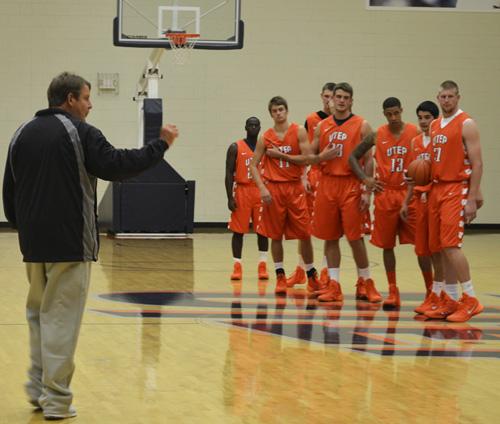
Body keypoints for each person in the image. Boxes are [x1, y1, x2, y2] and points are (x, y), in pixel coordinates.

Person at [2, 72, 179, 420]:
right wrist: (161, 145)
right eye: (86, 97)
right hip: (70, 244)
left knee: (39, 318)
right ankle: (56, 401)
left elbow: (9, 189)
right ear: (69, 99)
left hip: (33, 245)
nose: (90, 104)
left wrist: (23, 229)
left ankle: (38, 391)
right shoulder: (80, 132)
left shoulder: (21, 133)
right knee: (61, 323)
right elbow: (117, 165)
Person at [308, 82, 382, 303]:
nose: (340, 100)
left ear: (351, 100)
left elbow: (369, 161)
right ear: (332, 99)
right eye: (337, 96)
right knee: (330, 238)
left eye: (345, 97)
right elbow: (310, 157)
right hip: (328, 183)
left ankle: (365, 282)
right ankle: (334, 284)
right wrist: (323, 157)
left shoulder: (362, 125)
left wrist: (367, 191)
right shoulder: (322, 126)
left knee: (355, 238)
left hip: (351, 184)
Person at [423, 80, 484, 322]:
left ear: (458, 97)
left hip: (455, 188)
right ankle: (450, 299)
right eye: (443, 96)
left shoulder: (466, 124)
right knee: (439, 247)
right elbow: (431, 161)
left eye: (451, 96)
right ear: (438, 97)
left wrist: (471, 197)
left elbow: (477, 163)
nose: (446, 100)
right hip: (437, 189)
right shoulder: (435, 125)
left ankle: (470, 299)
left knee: (451, 246)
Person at [350, 97, 420, 308]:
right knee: (387, 245)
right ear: (384, 114)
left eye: (396, 113)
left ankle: (432, 291)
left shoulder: (415, 132)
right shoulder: (378, 134)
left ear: (402, 110)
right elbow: (353, 157)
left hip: (410, 193)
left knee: (423, 246)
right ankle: (393, 290)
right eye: (389, 114)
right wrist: (366, 179)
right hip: (386, 194)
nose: (393, 117)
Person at [249, 96, 318, 294]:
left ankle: (311, 275)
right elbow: (253, 165)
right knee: (276, 235)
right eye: (275, 111)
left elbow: (306, 158)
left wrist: (281, 156)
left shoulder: (299, 131)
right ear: (270, 114)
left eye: (281, 109)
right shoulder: (265, 137)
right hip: (274, 189)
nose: (278, 113)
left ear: (287, 111)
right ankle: (280, 275)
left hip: (295, 188)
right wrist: (262, 188)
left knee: (305, 234)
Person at [287, 82, 335, 288]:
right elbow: (304, 151)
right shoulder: (311, 119)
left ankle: (325, 271)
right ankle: (301, 269)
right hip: (313, 175)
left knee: (328, 226)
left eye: (333, 96)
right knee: (303, 225)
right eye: (326, 96)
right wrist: (303, 175)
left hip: (332, 177)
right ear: (321, 96)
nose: (330, 100)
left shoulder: (343, 122)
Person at [400, 101, 446, 314]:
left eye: (427, 117)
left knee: (437, 250)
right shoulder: (415, 142)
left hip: (436, 198)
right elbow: (412, 177)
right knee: (421, 250)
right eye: (420, 117)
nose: (423, 121)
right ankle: (430, 292)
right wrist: (406, 200)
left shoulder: (440, 141)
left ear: (435, 119)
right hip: (419, 200)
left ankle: (441, 294)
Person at [225, 117, 269, 281]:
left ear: (259, 128)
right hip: (242, 190)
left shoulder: (265, 147)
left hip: (260, 190)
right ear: (245, 127)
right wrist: (229, 197)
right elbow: (229, 173)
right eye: (250, 125)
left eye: (256, 125)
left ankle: (262, 265)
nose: (253, 127)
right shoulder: (235, 147)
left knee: (263, 230)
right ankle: (237, 266)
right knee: (238, 231)